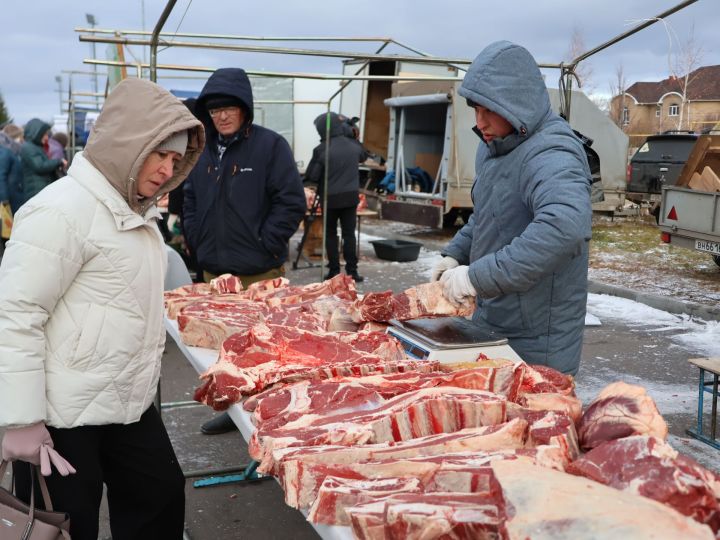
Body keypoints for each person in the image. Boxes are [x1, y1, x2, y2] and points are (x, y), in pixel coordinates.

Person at [0, 77, 205, 540]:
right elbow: (15, 316)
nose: (166, 169)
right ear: (128, 143)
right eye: (159, 154)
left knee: (161, 498)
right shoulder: (59, 211)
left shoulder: (136, 212)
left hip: (128, 405)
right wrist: (20, 420)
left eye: (175, 159)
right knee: (69, 526)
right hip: (61, 418)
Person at [432, 40, 592, 376]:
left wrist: (476, 277)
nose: (481, 123)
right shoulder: (495, 148)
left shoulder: (551, 151)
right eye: (475, 110)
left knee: (534, 424)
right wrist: (455, 255)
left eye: (489, 110)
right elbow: (488, 214)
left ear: (514, 102)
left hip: (537, 340)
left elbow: (564, 229)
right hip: (494, 320)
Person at [183, 68, 306, 435]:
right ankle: (232, 412)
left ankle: (269, 419)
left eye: (229, 108)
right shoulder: (202, 150)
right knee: (222, 353)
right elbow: (189, 198)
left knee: (263, 354)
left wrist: (266, 244)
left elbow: (291, 202)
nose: (221, 116)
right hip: (213, 271)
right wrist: (195, 240)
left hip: (258, 272)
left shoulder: (269, 146)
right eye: (214, 109)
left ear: (244, 109)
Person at [305, 112, 369, 282]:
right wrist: (355, 138)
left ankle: (333, 270)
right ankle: (352, 272)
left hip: (330, 198)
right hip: (350, 198)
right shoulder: (353, 145)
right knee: (349, 234)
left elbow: (312, 175)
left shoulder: (322, 149)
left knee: (331, 234)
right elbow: (364, 156)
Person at [20, 118, 67, 200]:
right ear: (36, 133)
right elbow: (40, 166)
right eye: (44, 134)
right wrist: (59, 161)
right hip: (35, 191)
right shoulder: (28, 147)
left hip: (38, 190)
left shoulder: (35, 147)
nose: (47, 137)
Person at [0, 124, 26, 214]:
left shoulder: (12, 150)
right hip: (10, 197)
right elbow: (1, 176)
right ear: (15, 136)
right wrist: (4, 200)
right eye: (21, 136)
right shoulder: (5, 152)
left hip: (14, 194)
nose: (22, 139)